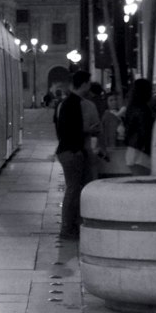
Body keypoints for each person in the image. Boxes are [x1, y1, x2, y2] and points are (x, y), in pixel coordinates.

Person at [54, 69, 99, 240]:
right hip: (72, 152)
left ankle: (69, 226)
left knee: (72, 189)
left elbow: (60, 129)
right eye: (88, 83)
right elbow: (72, 130)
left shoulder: (64, 103)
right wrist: (88, 131)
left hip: (65, 151)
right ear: (85, 84)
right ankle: (67, 228)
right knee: (73, 190)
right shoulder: (77, 104)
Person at [122, 78, 154, 174]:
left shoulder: (131, 108)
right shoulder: (144, 110)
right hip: (141, 152)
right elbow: (145, 132)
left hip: (133, 149)